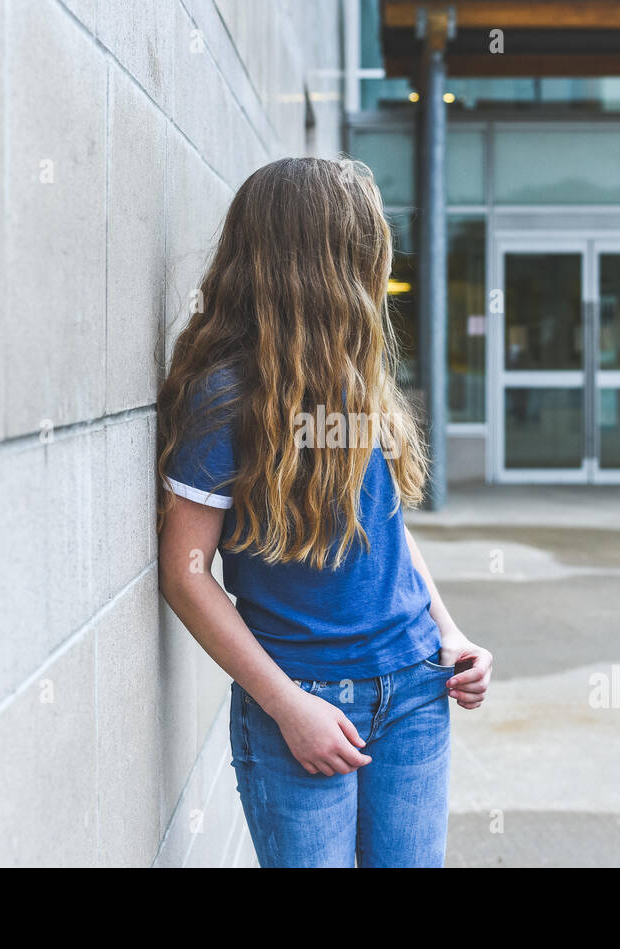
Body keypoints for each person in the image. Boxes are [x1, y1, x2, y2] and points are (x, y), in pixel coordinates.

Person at [156, 156, 492, 868]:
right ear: (325, 262)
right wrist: (285, 706)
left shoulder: (358, 376)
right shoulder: (225, 398)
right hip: (303, 703)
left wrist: (451, 634)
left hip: (414, 692)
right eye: (366, 250)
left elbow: (386, 532)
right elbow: (185, 574)